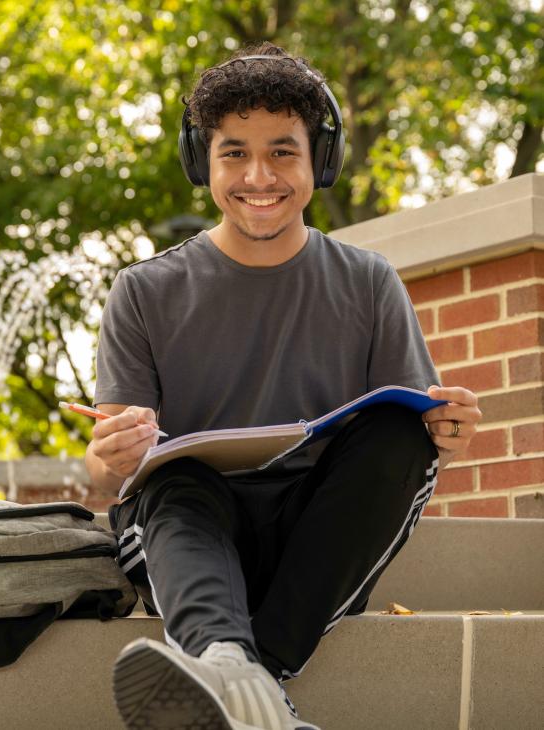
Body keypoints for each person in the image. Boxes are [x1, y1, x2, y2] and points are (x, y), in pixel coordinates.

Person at [85, 42, 482, 730]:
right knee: (174, 480)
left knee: (397, 436)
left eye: (283, 152)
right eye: (234, 153)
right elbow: (106, 467)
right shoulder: (143, 290)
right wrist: (112, 453)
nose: (258, 175)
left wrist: (444, 436)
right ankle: (246, 678)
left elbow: (404, 457)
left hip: (314, 547)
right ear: (201, 163)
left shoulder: (368, 281)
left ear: (318, 161)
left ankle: (245, 681)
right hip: (190, 539)